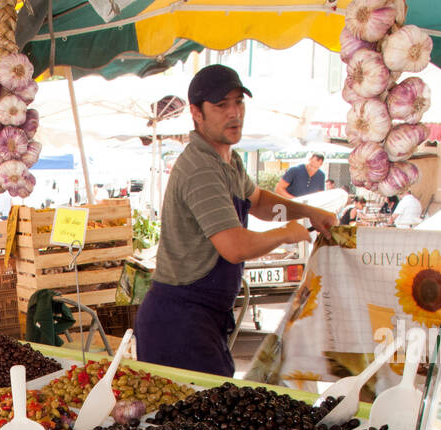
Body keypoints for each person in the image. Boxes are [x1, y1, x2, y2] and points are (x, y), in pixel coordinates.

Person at [134, 65, 337, 376]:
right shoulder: (201, 167)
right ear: (196, 113)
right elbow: (234, 247)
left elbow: (258, 202)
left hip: (204, 317)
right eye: (221, 105)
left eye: (239, 102)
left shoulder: (228, 160)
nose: (234, 113)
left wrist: (308, 212)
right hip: (179, 322)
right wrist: (285, 232)